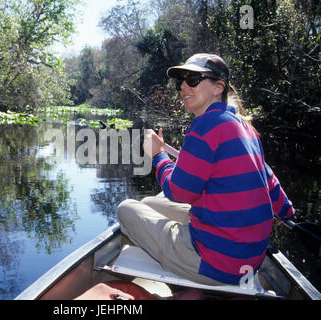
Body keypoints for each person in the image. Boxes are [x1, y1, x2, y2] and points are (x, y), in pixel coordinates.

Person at [116, 53, 295, 286]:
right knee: (149, 203)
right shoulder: (245, 128)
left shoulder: (205, 125)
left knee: (126, 208)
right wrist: (288, 214)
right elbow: (268, 180)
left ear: (218, 87)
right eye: (181, 80)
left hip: (216, 265)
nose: (182, 86)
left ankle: (180, 266)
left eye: (193, 79)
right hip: (250, 261)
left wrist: (158, 155)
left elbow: (179, 192)